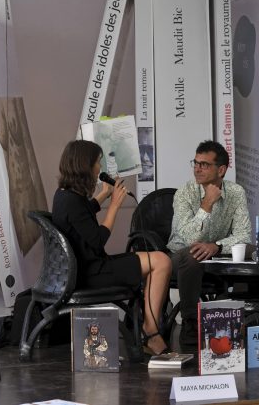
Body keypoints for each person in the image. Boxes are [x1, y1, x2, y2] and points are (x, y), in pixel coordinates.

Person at [52, 140, 172, 356]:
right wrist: (115, 205)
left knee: (156, 260)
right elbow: (98, 240)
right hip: (92, 273)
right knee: (162, 261)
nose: (100, 167)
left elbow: (83, 214)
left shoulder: (64, 195)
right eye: (97, 162)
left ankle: (149, 326)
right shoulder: (72, 201)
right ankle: (151, 331)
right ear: (85, 165)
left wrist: (105, 194)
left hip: (87, 267)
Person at [167, 140, 252, 346]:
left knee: (250, 250)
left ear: (221, 170)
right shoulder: (184, 193)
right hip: (180, 256)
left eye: (204, 164)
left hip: (216, 253)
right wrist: (206, 204)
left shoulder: (236, 192)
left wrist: (217, 246)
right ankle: (190, 322)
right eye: (195, 163)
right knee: (193, 254)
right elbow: (189, 238)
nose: (197, 169)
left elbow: (244, 235)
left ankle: (242, 318)